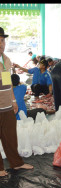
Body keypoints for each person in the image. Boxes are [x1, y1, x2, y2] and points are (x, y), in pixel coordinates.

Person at [0, 27, 33, 177]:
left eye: (2, 40)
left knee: (11, 136)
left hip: (7, 106)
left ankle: (17, 163)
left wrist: (14, 100)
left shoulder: (6, 60)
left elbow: (7, 83)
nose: (1, 44)